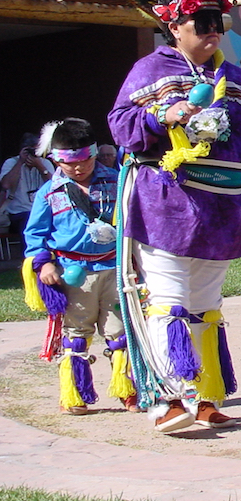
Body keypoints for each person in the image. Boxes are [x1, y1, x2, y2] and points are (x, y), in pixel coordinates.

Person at [109, 0, 241, 434]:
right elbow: (120, 124)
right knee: (168, 299)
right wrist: (160, 116)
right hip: (166, 202)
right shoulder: (150, 71)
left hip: (224, 209)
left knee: (207, 302)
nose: (213, 31)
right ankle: (167, 398)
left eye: (217, 23)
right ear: (175, 26)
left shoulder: (239, 79)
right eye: (202, 23)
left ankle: (206, 395)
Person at [22, 118, 136, 415]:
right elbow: (35, 234)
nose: (78, 168)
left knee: (119, 332)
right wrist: (43, 263)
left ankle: (129, 390)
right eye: (69, 163)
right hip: (73, 272)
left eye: (84, 160)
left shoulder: (117, 181)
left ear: (95, 154)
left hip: (114, 267)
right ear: (56, 159)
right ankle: (75, 394)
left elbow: (135, 220)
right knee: (76, 333)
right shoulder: (49, 192)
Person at [1, 133, 55, 258]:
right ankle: (31, 258)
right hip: (18, 212)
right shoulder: (11, 163)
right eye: (29, 150)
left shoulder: (44, 163)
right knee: (28, 221)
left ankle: (51, 256)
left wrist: (40, 167)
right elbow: (5, 185)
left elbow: (55, 186)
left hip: (42, 210)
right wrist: (20, 162)